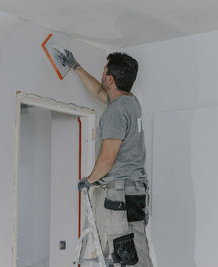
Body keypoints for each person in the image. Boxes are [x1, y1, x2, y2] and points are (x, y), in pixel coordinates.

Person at [57, 49, 153, 267]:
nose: (101, 73)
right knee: (135, 249)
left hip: (120, 191)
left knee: (127, 255)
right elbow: (99, 92)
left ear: (110, 78)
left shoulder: (115, 113)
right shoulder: (130, 102)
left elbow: (107, 158)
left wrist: (89, 180)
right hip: (135, 189)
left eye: (103, 70)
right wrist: (76, 66)